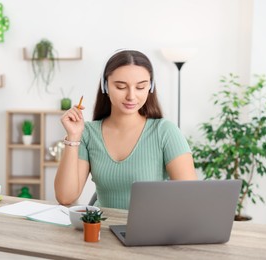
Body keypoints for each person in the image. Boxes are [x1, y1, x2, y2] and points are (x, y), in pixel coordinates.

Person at [54, 49, 197, 209]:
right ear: (105, 86)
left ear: (150, 87)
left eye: (140, 87)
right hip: (101, 229)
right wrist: (73, 137)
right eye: (121, 87)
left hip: (149, 231)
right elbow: (65, 197)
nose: (131, 96)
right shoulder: (88, 133)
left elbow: (190, 198)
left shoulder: (165, 132)